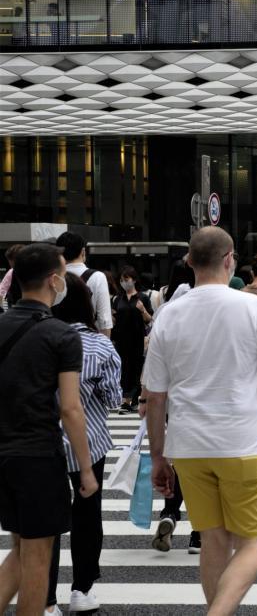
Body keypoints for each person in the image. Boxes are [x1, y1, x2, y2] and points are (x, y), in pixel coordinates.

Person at [144, 227, 257, 614]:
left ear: (189, 261)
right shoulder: (253, 307)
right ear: (230, 260)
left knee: (213, 539)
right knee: (254, 540)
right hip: (241, 441)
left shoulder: (168, 314)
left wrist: (158, 457)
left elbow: (155, 396)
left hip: (189, 446)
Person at [0, 243, 98, 616]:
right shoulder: (61, 335)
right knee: (38, 560)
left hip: (4, 453)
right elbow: (71, 409)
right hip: (38, 455)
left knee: (23, 550)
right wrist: (86, 470)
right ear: (54, 280)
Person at [46, 274, 122, 614]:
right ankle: (82, 588)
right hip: (89, 440)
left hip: (43, 441)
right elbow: (112, 398)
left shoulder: (39, 338)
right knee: (87, 513)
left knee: (44, 520)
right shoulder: (99, 345)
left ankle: (45, 598)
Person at [112, 267, 153, 414]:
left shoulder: (143, 298)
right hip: (121, 339)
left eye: (126, 279)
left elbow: (149, 320)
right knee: (123, 369)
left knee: (136, 368)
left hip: (137, 339)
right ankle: (127, 400)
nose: (124, 283)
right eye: (122, 280)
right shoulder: (118, 299)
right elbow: (114, 320)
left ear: (134, 280)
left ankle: (130, 400)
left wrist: (142, 310)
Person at [56, 232, 113, 337]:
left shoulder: (53, 277)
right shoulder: (97, 277)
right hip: (87, 341)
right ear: (83, 252)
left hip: (56, 339)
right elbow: (104, 321)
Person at [0, 244, 24, 309]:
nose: (9, 263)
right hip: (17, 306)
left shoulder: (12, 272)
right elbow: (1, 291)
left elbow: (1, 292)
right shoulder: (11, 272)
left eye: (9, 261)